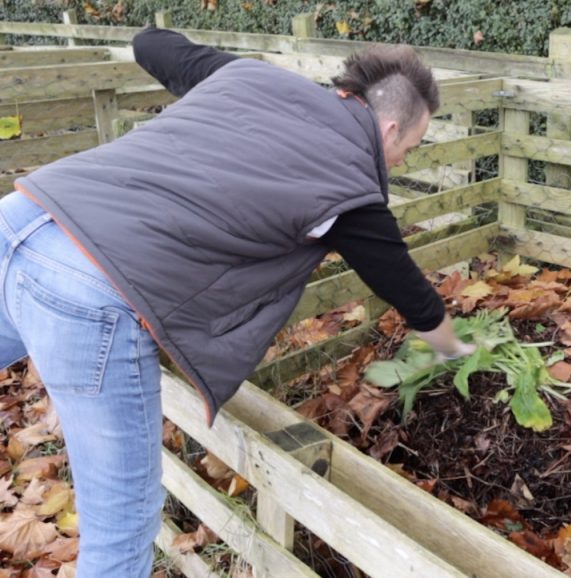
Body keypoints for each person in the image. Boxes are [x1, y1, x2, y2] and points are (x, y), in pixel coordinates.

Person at [0, 26, 475, 577]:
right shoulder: (351, 186)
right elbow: (407, 289)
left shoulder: (250, 76)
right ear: (389, 128)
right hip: (89, 291)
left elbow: (150, 44)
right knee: (123, 526)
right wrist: (454, 348)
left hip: (23, 217)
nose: (396, 163)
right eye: (408, 149)